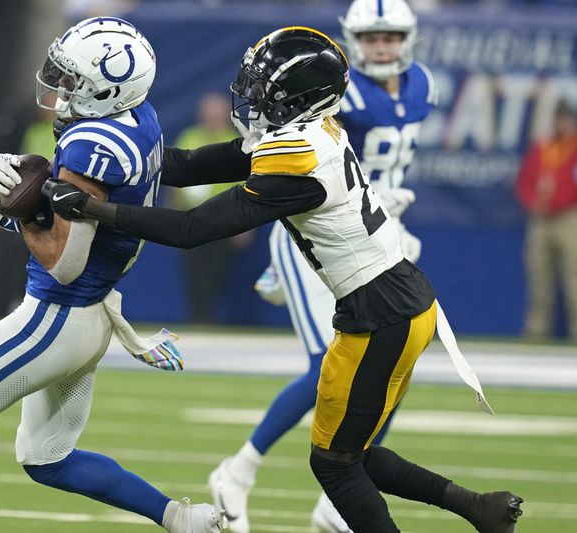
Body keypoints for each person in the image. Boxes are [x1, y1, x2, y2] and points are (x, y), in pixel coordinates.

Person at [45, 25, 523, 533]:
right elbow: (182, 166)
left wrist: (101, 211)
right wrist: (104, 142)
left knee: (334, 465)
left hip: (381, 314)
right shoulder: (310, 132)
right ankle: (479, 508)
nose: (250, 98)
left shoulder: (298, 158)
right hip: (403, 303)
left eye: (263, 91)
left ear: (299, 99)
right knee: (351, 454)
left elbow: (191, 228)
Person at [0, 17, 224, 533]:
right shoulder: (140, 116)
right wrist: (35, 200)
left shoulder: (94, 145)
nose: (61, 90)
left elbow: (63, 264)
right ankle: (180, 518)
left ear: (108, 89)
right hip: (94, 317)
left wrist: (15, 210)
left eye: (73, 80)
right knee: (47, 459)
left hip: (58, 316)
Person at [208, 1, 436, 530]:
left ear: (409, 39)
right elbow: (290, 158)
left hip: (374, 233)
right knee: (324, 371)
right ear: (354, 40)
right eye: (373, 38)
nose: (383, 47)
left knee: (392, 368)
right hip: (320, 232)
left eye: (392, 37)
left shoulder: (422, 84)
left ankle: (341, 495)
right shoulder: (338, 92)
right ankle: (237, 472)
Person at [173, 92, 248, 323]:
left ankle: (209, 316)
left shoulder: (236, 142)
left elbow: (248, 187)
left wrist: (245, 227)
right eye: (209, 112)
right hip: (191, 218)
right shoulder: (189, 137)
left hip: (223, 219)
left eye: (217, 113)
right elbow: (174, 174)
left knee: (218, 270)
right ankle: (198, 315)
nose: (213, 117)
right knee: (194, 270)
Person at [515, 99, 577, 341]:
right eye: (558, 118)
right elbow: (524, 182)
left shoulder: (573, 149)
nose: (561, 124)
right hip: (540, 219)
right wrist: (534, 202)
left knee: (574, 276)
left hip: (568, 218)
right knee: (539, 276)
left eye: (566, 119)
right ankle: (537, 330)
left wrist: (557, 202)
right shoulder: (542, 148)